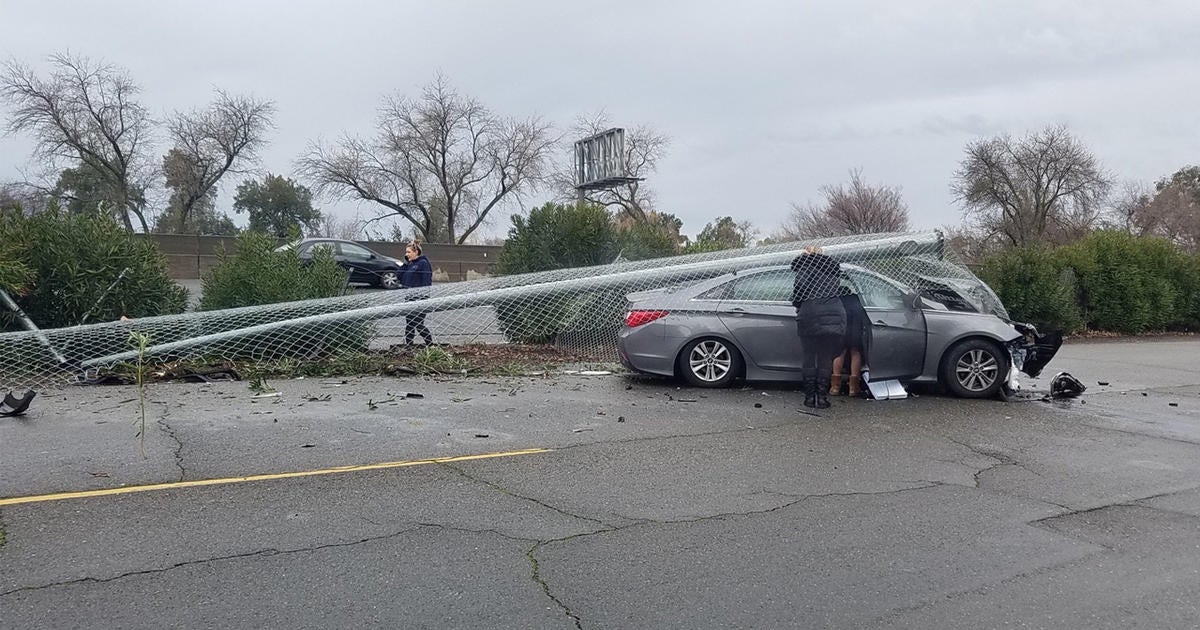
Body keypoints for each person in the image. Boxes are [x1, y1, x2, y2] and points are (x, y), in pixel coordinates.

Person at [790, 246, 846, 409]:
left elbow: (799, 291)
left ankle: (809, 397)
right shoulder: (831, 269)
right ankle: (822, 398)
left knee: (808, 356)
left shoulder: (805, 266)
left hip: (810, 313)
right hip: (833, 313)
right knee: (825, 357)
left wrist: (798, 304)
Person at [829, 287, 870, 398]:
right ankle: (853, 387)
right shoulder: (856, 300)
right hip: (855, 328)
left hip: (841, 327)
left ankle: (835, 387)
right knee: (855, 352)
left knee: (839, 353)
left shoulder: (836, 300)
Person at [398, 241, 434, 346]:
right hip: (409, 298)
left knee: (418, 324)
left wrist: (423, 297)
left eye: (409, 252)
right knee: (409, 324)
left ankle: (430, 344)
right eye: (406, 252)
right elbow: (399, 276)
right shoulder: (410, 264)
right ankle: (409, 346)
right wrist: (405, 263)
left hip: (420, 298)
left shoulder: (423, 263)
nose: (407, 254)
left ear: (416, 252)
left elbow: (426, 281)